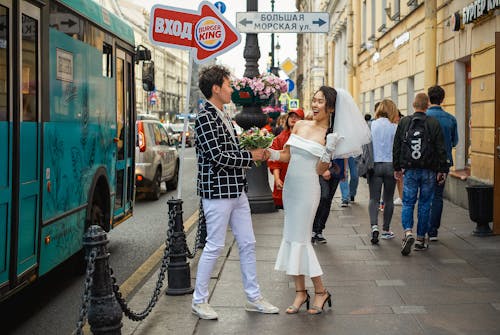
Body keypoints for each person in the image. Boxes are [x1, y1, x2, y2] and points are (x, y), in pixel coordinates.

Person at [267, 86, 369, 315]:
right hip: (290, 189)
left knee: (302, 239)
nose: (314, 105)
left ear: (331, 108)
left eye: (320, 101)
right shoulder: (301, 125)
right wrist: (269, 153)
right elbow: (286, 155)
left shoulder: (330, 135)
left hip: (307, 191)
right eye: (313, 100)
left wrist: (329, 149)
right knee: (292, 239)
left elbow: (320, 169)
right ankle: (301, 293)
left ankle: (320, 291)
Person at [192, 65, 279, 320]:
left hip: (236, 190)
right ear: (216, 88)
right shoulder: (205, 117)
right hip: (217, 192)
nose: (232, 89)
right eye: (228, 85)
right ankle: (199, 301)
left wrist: (255, 147)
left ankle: (254, 298)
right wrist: (250, 156)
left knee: (248, 243)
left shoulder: (223, 114)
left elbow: (231, 148)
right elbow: (217, 156)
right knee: (214, 246)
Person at [393, 92, 448, 255]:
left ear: (413, 105)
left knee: (408, 203)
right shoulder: (433, 123)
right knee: (425, 204)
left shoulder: (404, 122)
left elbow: (396, 146)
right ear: (427, 106)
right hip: (429, 171)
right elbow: (441, 148)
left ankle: (408, 232)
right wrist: (442, 170)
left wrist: (397, 168)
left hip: (410, 170)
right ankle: (420, 239)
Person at [426, 85, 458, 241]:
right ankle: (433, 232)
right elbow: (455, 142)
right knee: (438, 196)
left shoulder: (423, 117)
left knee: (425, 195)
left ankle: (422, 230)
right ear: (442, 99)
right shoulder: (450, 119)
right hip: (443, 163)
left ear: (428, 98)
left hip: (425, 163)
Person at [367, 99, 398, 244]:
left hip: (375, 165)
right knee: (388, 199)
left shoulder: (371, 125)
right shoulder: (395, 127)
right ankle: (386, 230)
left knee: (374, 198)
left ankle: (374, 227)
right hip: (390, 165)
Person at [268, 108, 305, 209]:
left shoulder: (306, 137)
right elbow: (275, 162)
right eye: (291, 116)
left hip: (301, 179)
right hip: (285, 178)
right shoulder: (280, 138)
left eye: (297, 117)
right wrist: (277, 179)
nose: (293, 119)